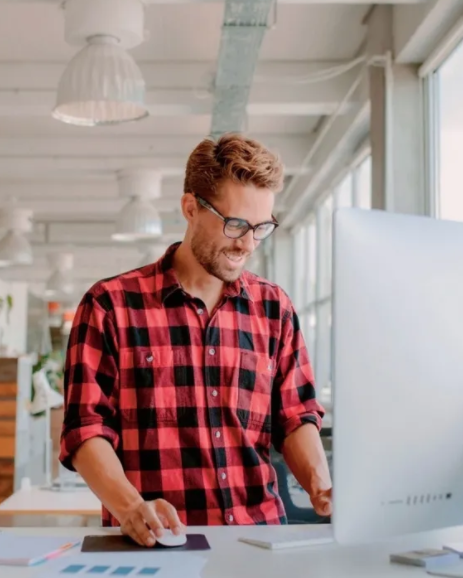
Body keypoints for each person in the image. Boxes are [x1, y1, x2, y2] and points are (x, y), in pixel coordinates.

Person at [60, 133, 332, 547]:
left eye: (262, 227)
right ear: (191, 208)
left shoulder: (274, 307)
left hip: (260, 541)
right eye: (236, 223)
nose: (247, 243)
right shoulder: (110, 305)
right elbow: (86, 429)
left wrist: (322, 488)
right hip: (157, 544)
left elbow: (295, 416)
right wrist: (131, 506)